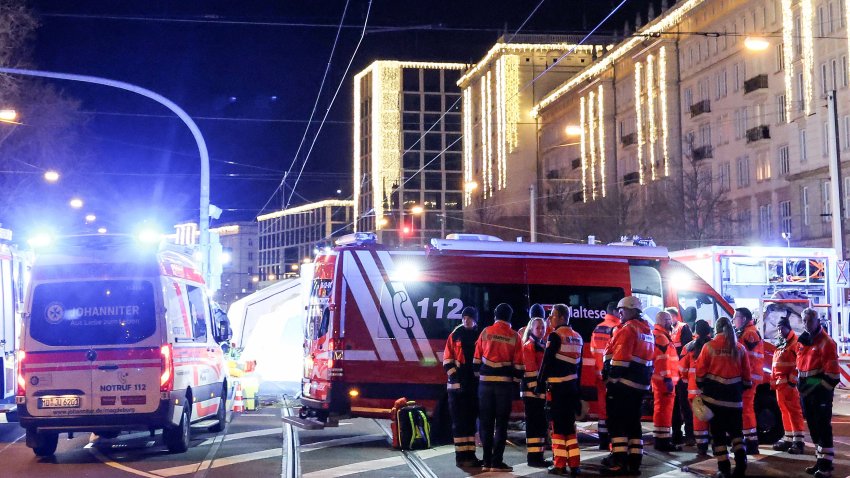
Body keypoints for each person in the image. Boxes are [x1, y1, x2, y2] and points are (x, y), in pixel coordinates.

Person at [601, 296, 655, 476]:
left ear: (632, 310)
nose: (619, 313)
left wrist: (611, 379)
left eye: (622, 310)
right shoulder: (647, 330)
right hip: (639, 386)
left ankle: (619, 462)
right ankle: (634, 463)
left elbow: (620, 361)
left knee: (617, 424)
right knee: (633, 425)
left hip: (623, 385)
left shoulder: (628, 330)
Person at [696, 317, 751, 478]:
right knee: (736, 434)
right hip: (734, 400)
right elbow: (747, 378)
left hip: (713, 400)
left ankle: (724, 469)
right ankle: (741, 463)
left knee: (718, 436)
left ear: (716, 329)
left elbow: (700, 374)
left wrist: (703, 386)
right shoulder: (739, 348)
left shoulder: (709, 347)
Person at [474, 302, 524, 472]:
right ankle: (497, 461)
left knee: (486, 423)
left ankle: (486, 460)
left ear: (495, 315)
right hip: (504, 386)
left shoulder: (486, 332)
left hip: (485, 384)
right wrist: (516, 382)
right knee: (501, 424)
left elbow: (476, 361)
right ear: (510, 317)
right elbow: (519, 366)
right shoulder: (515, 336)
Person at [536, 304, 583, 476]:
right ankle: (575, 464)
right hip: (571, 389)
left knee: (557, 429)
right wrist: (579, 395)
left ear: (562, 318)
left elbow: (546, 362)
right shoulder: (577, 337)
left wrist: (539, 384)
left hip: (557, 389)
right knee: (570, 428)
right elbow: (580, 368)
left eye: (553, 315)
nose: (550, 318)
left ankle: (560, 464)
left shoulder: (555, 336)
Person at [797, 308, 840, 478]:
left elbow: (832, 376)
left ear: (817, 321)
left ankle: (826, 467)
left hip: (820, 393)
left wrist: (812, 385)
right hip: (807, 393)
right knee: (814, 429)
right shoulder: (804, 340)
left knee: (823, 428)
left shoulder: (826, 342)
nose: (806, 323)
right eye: (804, 320)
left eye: (809, 320)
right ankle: (819, 461)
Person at [443, 306, 482, 467]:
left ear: (475, 320)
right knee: (459, 422)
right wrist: (454, 377)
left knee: (471, 421)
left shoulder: (479, 335)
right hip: (457, 387)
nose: (466, 320)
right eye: (464, 317)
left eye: (469, 318)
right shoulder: (455, 335)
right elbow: (447, 359)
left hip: (473, 386)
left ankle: (470, 454)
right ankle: (460, 455)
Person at [770, 315, 805, 454]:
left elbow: (799, 364)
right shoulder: (781, 343)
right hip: (780, 386)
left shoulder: (795, 343)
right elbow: (775, 365)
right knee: (784, 411)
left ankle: (798, 440)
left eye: (781, 328)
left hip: (789, 386)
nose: (779, 331)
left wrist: (792, 381)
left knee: (794, 411)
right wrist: (773, 382)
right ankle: (789, 437)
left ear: (787, 328)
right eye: (778, 328)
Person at [521, 311, 552, 468]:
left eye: (543, 328)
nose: (541, 330)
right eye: (538, 328)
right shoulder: (529, 346)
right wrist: (537, 389)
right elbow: (530, 370)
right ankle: (533, 458)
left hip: (538, 392)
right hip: (532, 392)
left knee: (540, 425)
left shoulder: (540, 345)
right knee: (534, 426)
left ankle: (538, 456)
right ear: (531, 329)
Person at [589, 301, 621, 450]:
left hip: (599, 372)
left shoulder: (598, 327)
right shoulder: (617, 328)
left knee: (602, 406)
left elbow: (593, 350)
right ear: (614, 311)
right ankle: (612, 440)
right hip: (611, 373)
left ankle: (602, 439)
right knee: (614, 406)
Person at [678, 319, 713, 455]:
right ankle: (716, 443)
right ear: (709, 330)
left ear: (695, 332)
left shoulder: (688, 347)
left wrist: (686, 381)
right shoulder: (714, 345)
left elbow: (681, 368)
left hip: (693, 390)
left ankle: (701, 445)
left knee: (698, 417)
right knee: (713, 416)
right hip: (711, 389)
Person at [733, 307, 763, 454]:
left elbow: (746, 359)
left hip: (748, 379)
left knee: (746, 410)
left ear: (743, 319)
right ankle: (748, 440)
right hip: (748, 378)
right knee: (745, 409)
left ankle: (751, 443)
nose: (733, 320)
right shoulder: (747, 332)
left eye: (735, 317)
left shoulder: (749, 333)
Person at [651, 310, 681, 452]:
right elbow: (663, 362)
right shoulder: (662, 338)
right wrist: (667, 378)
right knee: (664, 411)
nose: (671, 323)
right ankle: (663, 441)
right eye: (668, 320)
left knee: (661, 410)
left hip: (661, 380)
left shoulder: (660, 336)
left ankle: (661, 439)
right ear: (663, 321)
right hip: (664, 381)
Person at [668, 307, 695, 446]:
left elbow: (686, 351)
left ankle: (690, 434)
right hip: (673, 373)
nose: (668, 321)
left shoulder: (683, 328)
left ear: (674, 316)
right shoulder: (669, 330)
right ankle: (677, 435)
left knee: (685, 405)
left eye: (669, 317)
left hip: (682, 374)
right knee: (675, 406)